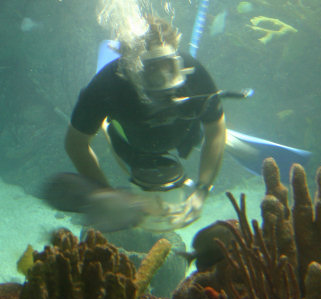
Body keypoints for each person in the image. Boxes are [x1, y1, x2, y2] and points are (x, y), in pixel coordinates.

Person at [64, 16, 226, 229]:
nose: (161, 78)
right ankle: (104, 126)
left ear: (177, 57)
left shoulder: (193, 72)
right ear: (131, 68)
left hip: (184, 134)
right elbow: (75, 143)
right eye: (151, 69)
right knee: (126, 149)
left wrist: (202, 191)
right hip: (131, 141)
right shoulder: (108, 84)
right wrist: (108, 197)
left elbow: (215, 129)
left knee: (208, 130)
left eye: (168, 66)